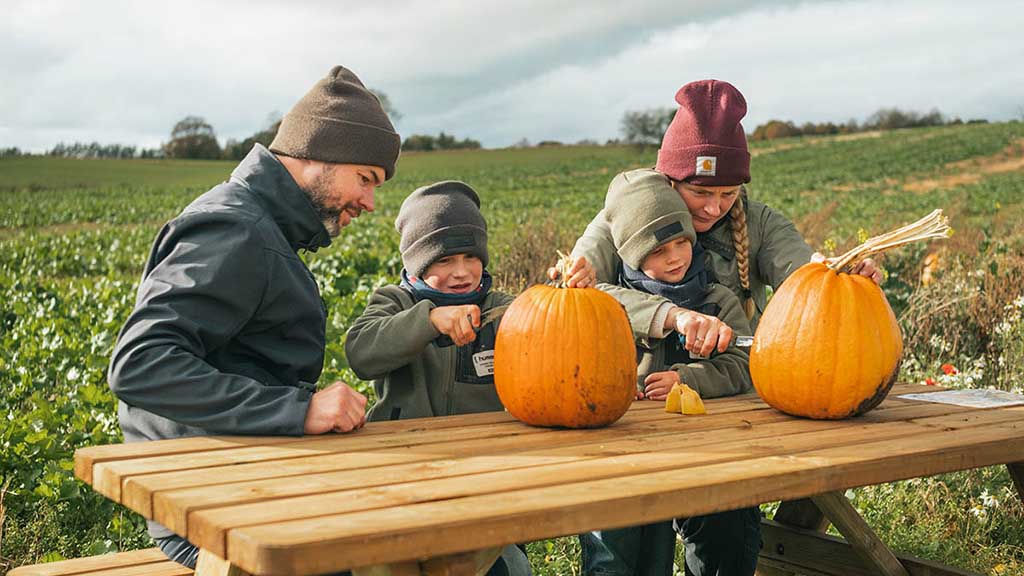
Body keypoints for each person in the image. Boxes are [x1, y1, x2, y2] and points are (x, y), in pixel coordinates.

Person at [570, 80, 882, 576]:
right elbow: (574, 296)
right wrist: (669, 316)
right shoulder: (625, 217)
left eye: (727, 192)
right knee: (623, 549)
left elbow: (805, 277)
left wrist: (842, 274)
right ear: (669, 179)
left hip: (721, 414)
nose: (714, 207)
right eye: (700, 191)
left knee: (728, 541)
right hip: (627, 416)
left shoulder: (758, 224)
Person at [106, 65, 400, 570]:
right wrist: (297, 410)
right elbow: (141, 364)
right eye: (365, 179)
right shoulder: (237, 229)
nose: (370, 202)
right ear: (317, 154)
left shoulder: (264, 226)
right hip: (207, 505)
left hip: (243, 476)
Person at [345, 181, 531, 575]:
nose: (461, 272)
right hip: (401, 475)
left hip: (482, 475)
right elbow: (361, 352)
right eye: (443, 261)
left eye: (470, 257)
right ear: (417, 263)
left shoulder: (503, 310)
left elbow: (554, 331)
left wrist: (571, 290)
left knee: (488, 564)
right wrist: (427, 321)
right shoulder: (395, 302)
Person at [578, 169, 755, 576]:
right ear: (631, 255)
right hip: (624, 457)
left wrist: (688, 378)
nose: (675, 257)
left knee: (697, 545)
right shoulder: (609, 307)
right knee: (614, 555)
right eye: (658, 251)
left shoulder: (717, 300)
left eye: (681, 243)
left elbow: (743, 365)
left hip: (706, 451)